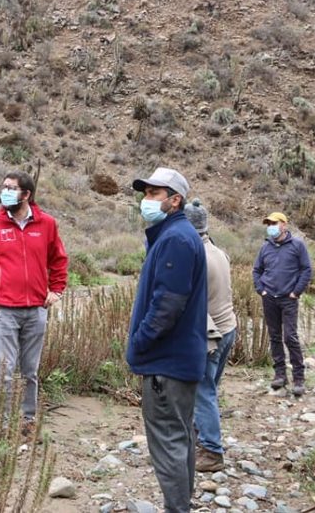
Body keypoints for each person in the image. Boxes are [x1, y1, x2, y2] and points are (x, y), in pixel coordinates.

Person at [126, 167, 207, 513]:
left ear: (175, 201)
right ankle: (181, 505)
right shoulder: (175, 235)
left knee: (169, 440)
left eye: (154, 194)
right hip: (178, 361)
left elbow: (167, 305)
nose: (147, 200)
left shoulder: (176, 239)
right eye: (145, 193)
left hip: (166, 363)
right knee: (181, 435)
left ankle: (178, 508)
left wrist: (140, 342)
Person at [0, 171, 68, 439]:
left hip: (36, 310)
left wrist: (56, 289)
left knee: (30, 371)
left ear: (27, 195)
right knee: (4, 370)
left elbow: (59, 259)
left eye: (12, 188)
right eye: (4, 187)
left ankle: (28, 420)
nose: (5, 192)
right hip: (3, 312)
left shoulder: (47, 224)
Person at [184, 198, 238, 473]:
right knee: (210, 390)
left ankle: (212, 451)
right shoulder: (217, 251)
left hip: (211, 334)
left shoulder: (195, 256)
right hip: (229, 327)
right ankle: (200, 438)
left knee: (202, 392)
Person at [252, 212, 312, 397]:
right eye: (268, 223)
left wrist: (296, 292)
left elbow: (306, 269)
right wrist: (260, 289)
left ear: (284, 225)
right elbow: (257, 270)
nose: (270, 226)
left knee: (290, 337)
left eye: (274, 223)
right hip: (269, 297)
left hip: (288, 298)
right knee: (275, 336)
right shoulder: (265, 247)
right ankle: (280, 375)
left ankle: (299, 378)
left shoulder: (297, 245)